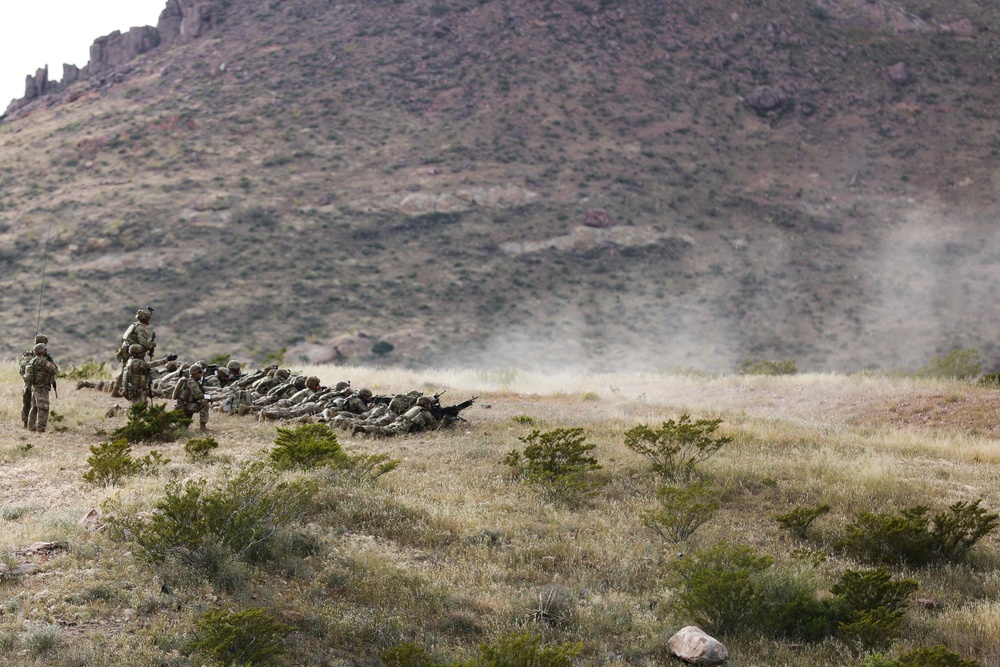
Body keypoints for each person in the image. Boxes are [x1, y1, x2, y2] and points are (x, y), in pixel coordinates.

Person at [113, 307, 156, 397]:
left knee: (125, 369)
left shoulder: (134, 325)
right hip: (132, 351)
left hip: (125, 349)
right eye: (148, 318)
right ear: (145, 319)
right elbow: (142, 342)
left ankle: (117, 388)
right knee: (130, 370)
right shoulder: (140, 328)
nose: (149, 320)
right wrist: (151, 344)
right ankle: (123, 390)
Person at [23, 342, 58, 433]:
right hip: (42, 387)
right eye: (44, 349)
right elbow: (54, 370)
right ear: (41, 351)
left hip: (34, 387)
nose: (46, 351)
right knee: (43, 408)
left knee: (34, 407)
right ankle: (41, 429)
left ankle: (31, 426)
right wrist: (51, 361)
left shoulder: (32, 360)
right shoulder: (43, 361)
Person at [19, 334, 51, 428]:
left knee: (28, 403)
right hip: (38, 384)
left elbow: (22, 370)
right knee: (39, 404)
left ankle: (27, 423)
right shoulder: (42, 357)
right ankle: (35, 424)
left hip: (28, 382)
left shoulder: (27, 355)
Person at [174, 363, 210, 430]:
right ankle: (203, 427)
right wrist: (209, 397)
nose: (201, 374)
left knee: (183, 428)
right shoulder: (192, 382)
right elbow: (198, 395)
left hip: (183, 406)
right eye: (200, 372)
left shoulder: (190, 381)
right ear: (195, 373)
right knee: (205, 404)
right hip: (185, 406)